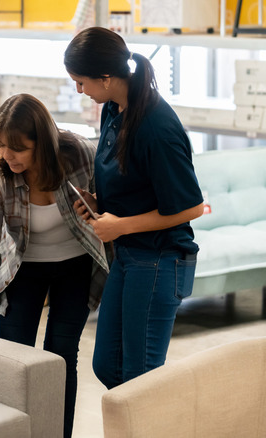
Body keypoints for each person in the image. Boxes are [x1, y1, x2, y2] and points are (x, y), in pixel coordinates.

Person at [0, 93, 109, 438]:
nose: (7, 155)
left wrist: (97, 206)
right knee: (13, 359)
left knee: (60, 357)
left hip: (76, 265)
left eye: (18, 147)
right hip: (22, 268)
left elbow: (110, 207)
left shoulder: (80, 154)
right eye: (1, 145)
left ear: (42, 143)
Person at [63, 27, 205, 389]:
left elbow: (191, 207)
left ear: (107, 78)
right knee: (108, 367)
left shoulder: (157, 127)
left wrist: (121, 225)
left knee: (140, 379)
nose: (80, 90)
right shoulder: (114, 107)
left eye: (82, 82)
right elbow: (130, 180)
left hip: (160, 260)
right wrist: (99, 205)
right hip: (128, 256)